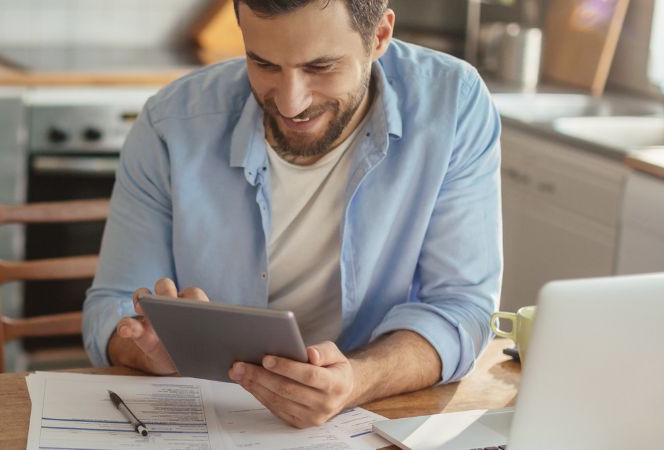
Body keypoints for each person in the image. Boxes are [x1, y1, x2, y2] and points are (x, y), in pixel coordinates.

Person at [82, 0, 502, 429]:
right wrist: (151, 350)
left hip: (375, 417)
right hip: (211, 417)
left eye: (320, 68)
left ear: (378, 37)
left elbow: (461, 307)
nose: (289, 102)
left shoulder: (453, 105)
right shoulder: (171, 123)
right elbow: (111, 308)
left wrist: (357, 380)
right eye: (263, 64)